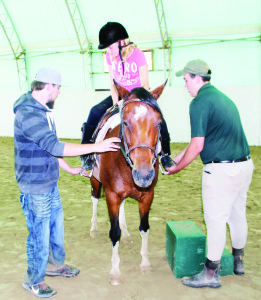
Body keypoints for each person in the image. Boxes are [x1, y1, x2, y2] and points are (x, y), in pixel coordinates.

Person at [13, 67, 120, 298]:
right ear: (49, 86)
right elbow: (54, 146)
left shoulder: (43, 110)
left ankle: (54, 265)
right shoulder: (28, 114)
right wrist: (97, 147)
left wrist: (69, 168)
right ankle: (33, 279)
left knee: (55, 229)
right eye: (59, 87)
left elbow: (50, 146)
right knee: (39, 235)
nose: (60, 92)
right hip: (35, 186)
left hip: (49, 181)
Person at [166, 59, 254, 288]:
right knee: (237, 216)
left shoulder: (199, 103)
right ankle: (238, 260)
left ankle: (210, 274)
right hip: (244, 166)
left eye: (185, 80)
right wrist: (175, 157)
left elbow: (197, 146)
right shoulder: (223, 98)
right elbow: (202, 138)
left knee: (215, 221)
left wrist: (176, 168)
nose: (185, 85)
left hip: (221, 170)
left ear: (196, 77)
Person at [81, 21, 174, 171]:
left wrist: (136, 101)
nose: (108, 51)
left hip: (137, 96)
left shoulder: (138, 55)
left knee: (159, 116)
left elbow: (145, 84)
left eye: (110, 47)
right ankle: (86, 154)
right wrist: (115, 102)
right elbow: (113, 83)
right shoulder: (110, 57)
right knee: (95, 112)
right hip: (119, 96)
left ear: (121, 42)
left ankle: (165, 155)